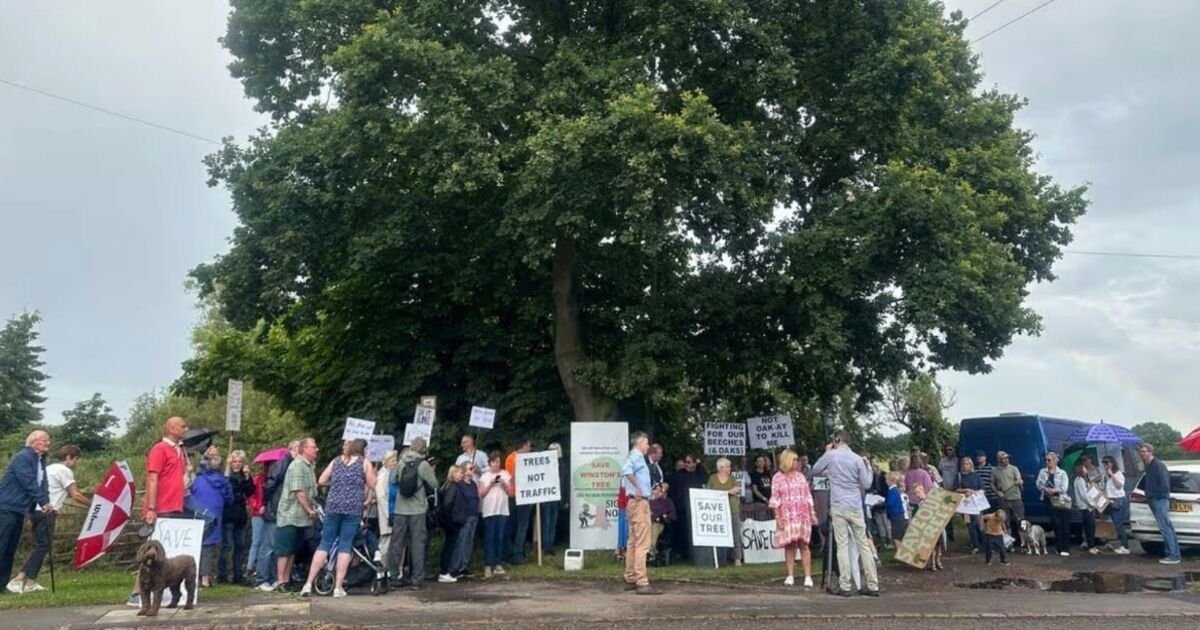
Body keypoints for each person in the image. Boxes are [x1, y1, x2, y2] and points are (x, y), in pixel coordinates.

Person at [7, 444, 86, 594]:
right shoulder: (64, 470)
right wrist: (94, 504)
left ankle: (30, 582)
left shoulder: (49, 468)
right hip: (47, 511)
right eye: (76, 459)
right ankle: (19, 578)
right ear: (68, 458)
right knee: (43, 546)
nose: (76, 463)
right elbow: (75, 494)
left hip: (35, 510)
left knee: (41, 545)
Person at [300, 439, 375, 597]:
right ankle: (338, 587)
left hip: (333, 506)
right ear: (362, 450)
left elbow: (321, 480)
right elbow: (372, 483)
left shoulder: (336, 461)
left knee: (324, 544)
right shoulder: (364, 463)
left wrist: (336, 483)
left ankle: (308, 584)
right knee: (345, 546)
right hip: (353, 509)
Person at [811, 430, 879, 597]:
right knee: (863, 544)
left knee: (842, 545)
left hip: (838, 504)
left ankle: (845, 585)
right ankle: (872, 584)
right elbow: (867, 483)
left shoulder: (831, 455)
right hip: (855, 505)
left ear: (836, 439)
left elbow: (815, 470)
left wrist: (827, 452)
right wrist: (868, 467)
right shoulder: (857, 459)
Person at [131, 417, 189, 606]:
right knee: (151, 551)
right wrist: (152, 507)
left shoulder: (179, 450)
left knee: (165, 554)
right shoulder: (159, 449)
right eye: (182, 426)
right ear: (172, 428)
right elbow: (152, 478)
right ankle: (138, 592)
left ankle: (166, 591)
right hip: (162, 506)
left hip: (175, 504)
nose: (185, 428)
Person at [260, 438, 319, 592]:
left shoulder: (309, 466)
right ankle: (281, 581)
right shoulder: (298, 465)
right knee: (284, 550)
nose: (316, 449)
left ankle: (286, 579)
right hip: (290, 514)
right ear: (304, 449)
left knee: (292, 549)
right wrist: (309, 510)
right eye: (313, 447)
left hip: (301, 517)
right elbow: (298, 491)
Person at [0, 431, 53, 596]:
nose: (48, 444)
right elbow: (28, 481)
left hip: (19, 509)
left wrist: (46, 502)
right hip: (6, 507)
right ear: (34, 442)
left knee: (10, 548)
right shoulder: (23, 457)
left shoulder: (39, 460)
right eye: (45, 441)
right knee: (1, 545)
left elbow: (42, 483)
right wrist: (42, 502)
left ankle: (2, 585)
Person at [389, 436, 438, 588]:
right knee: (418, 544)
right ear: (423, 449)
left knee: (397, 543)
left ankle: (394, 577)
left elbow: (392, 480)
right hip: (418, 509)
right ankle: (416, 579)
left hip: (400, 508)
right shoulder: (423, 465)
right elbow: (434, 483)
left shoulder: (401, 461)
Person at [254, 440, 300, 589]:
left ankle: (274, 577)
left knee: (278, 547)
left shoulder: (293, 465)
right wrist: (268, 503)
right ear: (292, 449)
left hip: (283, 510)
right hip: (275, 509)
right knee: (268, 546)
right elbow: (270, 485)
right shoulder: (282, 464)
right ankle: (261, 579)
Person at [769, 449, 815, 588]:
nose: (796, 462)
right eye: (794, 460)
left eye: (797, 460)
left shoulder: (801, 476)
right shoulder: (777, 477)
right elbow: (775, 498)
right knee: (789, 546)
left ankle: (808, 576)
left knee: (804, 545)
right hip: (787, 515)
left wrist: (812, 513)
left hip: (802, 515)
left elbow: (808, 496)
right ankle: (790, 575)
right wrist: (778, 518)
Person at [620, 431, 657, 595]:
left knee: (633, 541)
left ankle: (630, 576)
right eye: (647, 443)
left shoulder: (633, 456)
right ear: (640, 442)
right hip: (639, 502)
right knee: (642, 542)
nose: (648, 446)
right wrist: (640, 489)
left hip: (632, 501)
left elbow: (626, 473)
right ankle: (641, 580)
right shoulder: (636, 456)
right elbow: (626, 471)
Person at [192, 454, 234, 587]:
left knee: (196, 547)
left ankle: (194, 577)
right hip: (215, 517)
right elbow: (230, 499)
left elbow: (190, 494)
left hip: (198, 514)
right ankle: (205, 578)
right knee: (208, 548)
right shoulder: (224, 481)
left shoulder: (198, 480)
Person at [1137, 443, 1181, 564]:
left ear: (1151, 452)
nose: (1142, 454)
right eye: (1141, 452)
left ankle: (1173, 556)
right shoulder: (1148, 466)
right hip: (1153, 499)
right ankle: (1172, 553)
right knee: (1166, 527)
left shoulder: (1158, 465)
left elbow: (1164, 485)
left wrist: (1154, 495)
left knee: (1165, 528)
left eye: (1144, 451)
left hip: (1160, 499)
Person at [219, 450, 254, 584]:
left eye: (239, 461)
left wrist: (246, 477)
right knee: (227, 545)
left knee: (240, 545)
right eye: (235, 461)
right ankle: (222, 574)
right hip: (228, 513)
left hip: (240, 515)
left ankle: (238, 574)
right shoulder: (226, 475)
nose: (237, 464)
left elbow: (250, 491)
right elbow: (225, 489)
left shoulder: (244, 475)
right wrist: (227, 470)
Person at [478, 451, 512, 578]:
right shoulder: (484, 476)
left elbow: (511, 493)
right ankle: (488, 565)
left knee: (500, 537)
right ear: (490, 463)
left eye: (498, 462)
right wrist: (491, 484)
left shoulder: (505, 474)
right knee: (489, 538)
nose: (496, 465)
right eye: (493, 462)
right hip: (489, 511)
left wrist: (503, 484)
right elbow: (481, 494)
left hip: (502, 510)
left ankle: (498, 563)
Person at [706, 458, 744, 565]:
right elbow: (709, 493)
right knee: (720, 533)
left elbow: (736, 490)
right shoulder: (712, 478)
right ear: (721, 468)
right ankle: (721, 558)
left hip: (732, 508)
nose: (730, 468)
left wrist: (722, 493)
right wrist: (727, 492)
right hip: (718, 510)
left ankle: (737, 558)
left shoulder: (732, 478)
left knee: (735, 533)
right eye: (728, 466)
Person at [504, 438, 534, 564]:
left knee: (519, 525)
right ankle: (516, 555)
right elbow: (511, 477)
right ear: (523, 446)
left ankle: (515, 553)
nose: (530, 449)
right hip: (516, 494)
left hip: (521, 494)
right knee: (520, 526)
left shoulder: (511, 457)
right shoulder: (513, 458)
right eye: (529, 446)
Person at [1035, 452, 1071, 557]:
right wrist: (1045, 489)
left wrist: (1055, 490)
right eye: (1045, 460)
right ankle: (1059, 547)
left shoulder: (1062, 473)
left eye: (1049, 460)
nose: (1047, 462)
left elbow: (1065, 487)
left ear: (1055, 461)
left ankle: (1066, 548)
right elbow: (1038, 484)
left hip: (1061, 500)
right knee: (1056, 525)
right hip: (1050, 501)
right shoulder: (1042, 472)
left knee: (1065, 525)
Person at [452, 461, 482, 577]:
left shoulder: (473, 484)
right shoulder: (460, 485)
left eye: (473, 468)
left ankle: (464, 565)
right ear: (464, 471)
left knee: (469, 541)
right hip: (465, 516)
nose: (472, 471)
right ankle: (456, 566)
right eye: (470, 468)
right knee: (461, 541)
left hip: (474, 515)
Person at [437, 465, 466, 583]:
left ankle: (447, 570)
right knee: (449, 546)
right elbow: (448, 505)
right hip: (452, 521)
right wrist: (450, 520)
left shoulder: (449, 486)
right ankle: (444, 571)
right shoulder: (452, 487)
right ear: (453, 473)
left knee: (450, 546)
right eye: (459, 472)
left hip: (452, 521)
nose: (461, 475)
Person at [991, 451, 1023, 546]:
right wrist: (997, 492)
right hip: (1003, 500)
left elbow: (1019, 479)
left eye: (1007, 458)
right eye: (1003, 458)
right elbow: (992, 483)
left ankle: (1023, 543)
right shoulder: (995, 470)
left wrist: (1019, 481)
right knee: (1005, 522)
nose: (1006, 460)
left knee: (1020, 521)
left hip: (1016, 498)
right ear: (999, 460)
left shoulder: (1014, 468)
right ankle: (1009, 544)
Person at [372, 450, 398, 563]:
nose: (395, 463)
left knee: (390, 542)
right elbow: (381, 497)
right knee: (385, 542)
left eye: (395, 460)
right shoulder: (382, 476)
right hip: (386, 514)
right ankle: (382, 568)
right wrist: (389, 514)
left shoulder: (391, 474)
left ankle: (387, 568)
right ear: (385, 462)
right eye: (392, 461)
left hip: (392, 512)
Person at [1100, 455, 1130, 555]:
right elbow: (1104, 488)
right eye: (1104, 463)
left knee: (1119, 523)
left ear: (1112, 463)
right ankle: (1120, 544)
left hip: (1118, 499)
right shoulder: (1105, 475)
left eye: (1107, 463)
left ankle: (1125, 546)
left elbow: (1119, 486)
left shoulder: (1118, 474)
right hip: (1109, 500)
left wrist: (1112, 475)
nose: (1105, 465)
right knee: (1113, 522)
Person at [245, 460, 269, 584]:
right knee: (256, 541)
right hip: (257, 514)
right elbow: (251, 496)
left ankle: (260, 566)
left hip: (268, 513)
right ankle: (250, 567)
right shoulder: (258, 479)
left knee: (265, 542)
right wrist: (256, 507)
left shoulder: (272, 480)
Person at [541, 442, 566, 556]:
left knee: (553, 522)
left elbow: (564, 482)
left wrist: (565, 499)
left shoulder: (562, 465)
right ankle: (546, 545)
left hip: (556, 497)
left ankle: (550, 545)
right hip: (547, 496)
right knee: (547, 521)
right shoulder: (544, 465)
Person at [955, 457, 983, 553]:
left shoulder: (976, 476)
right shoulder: (959, 476)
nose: (965, 466)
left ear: (970, 465)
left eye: (967, 464)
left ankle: (981, 543)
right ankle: (975, 545)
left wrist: (975, 492)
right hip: (965, 505)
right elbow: (956, 489)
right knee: (970, 524)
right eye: (963, 464)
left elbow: (982, 488)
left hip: (976, 503)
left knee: (978, 524)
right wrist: (966, 490)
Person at [1072, 462, 1099, 554]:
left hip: (1085, 506)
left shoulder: (1082, 480)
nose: (1086, 470)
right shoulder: (1080, 480)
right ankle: (1091, 546)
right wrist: (1092, 503)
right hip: (1086, 506)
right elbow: (1084, 495)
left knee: (1089, 526)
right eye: (1084, 468)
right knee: (1090, 526)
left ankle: (1089, 544)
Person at [884, 472, 908, 543]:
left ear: (891, 481)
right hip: (898, 515)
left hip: (896, 515)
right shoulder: (895, 490)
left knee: (896, 537)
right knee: (899, 536)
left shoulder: (893, 491)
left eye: (887, 480)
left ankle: (900, 551)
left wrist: (882, 503)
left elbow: (890, 503)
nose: (886, 481)